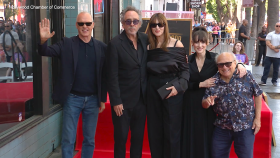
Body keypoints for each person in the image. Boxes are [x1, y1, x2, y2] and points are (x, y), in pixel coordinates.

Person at [38, 12, 107, 158]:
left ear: (93, 25)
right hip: (72, 99)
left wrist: (102, 98)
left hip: (93, 99)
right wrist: (43, 41)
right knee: (68, 138)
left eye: (88, 23)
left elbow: (104, 75)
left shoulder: (101, 47)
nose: (85, 26)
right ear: (76, 25)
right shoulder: (67, 43)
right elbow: (45, 52)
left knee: (89, 139)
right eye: (81, 23)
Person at [181, 26, 247, 158]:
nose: (200, 45)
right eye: (197, 42)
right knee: (191, 135)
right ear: (192, 43)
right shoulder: (188, 60)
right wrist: (201, 84)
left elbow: (229, 63)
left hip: (209, 104)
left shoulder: (214, 59)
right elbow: (182, 83)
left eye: (202, 42)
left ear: (207, 42)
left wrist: (240, 65)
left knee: (206, 135)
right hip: (190, 102)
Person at [202, 52, 262, 158]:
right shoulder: (213, 81)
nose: (224, 67)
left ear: (235, 63)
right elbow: (204, 103)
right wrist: (207, 102)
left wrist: (257, 119)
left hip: (245, 126)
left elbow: (258, 94)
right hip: (222, 126)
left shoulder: (245, 75)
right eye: (221, 64)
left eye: (228, 63)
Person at [106, 6, 148, 158]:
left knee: (138, 140)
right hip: (122, 103)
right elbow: (112, 75)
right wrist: (116, 101)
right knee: (121, 139)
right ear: (122, 24)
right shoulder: (115, 44)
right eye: (128, 21)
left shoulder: (144, 39)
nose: (132, 24)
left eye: (135, 21)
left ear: (140, 23)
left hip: (142, 101)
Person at [146, 13, 189, 158]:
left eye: (160, 24)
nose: (157, 27)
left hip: (171, 88)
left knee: (172, 132)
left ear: (165, 26)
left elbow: (185, 70)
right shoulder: (147, 47)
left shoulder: (177, 44)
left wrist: (178, 86)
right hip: (152, 89)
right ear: (150, 27)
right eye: (153, 25)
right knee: (154, 130)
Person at [259, 22, 280, 86]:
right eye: (277, 26)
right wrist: (274, 48)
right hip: (269, 55)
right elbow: (267, 42)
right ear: (275, 26)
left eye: (279, 26)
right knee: (266, 68)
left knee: (276, 70)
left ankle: (274, 81)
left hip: (278, 56)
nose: (278, 27)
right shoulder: (270, 34)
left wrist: (275, 47)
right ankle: (263, 81)